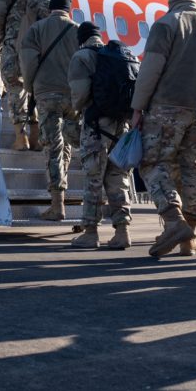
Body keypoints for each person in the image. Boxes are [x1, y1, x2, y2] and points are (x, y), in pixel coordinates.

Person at [131, 0, 196, 257]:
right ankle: (190, 237)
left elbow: (150, 69)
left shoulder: (166, 24)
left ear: (171, 1)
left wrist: (138, 108)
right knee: (192, 168)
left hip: (166, 108)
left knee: (153, 164)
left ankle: (174, 222)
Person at [67, 22, 133, 249]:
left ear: (81, 39)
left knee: (93, 179)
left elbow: (79, 97)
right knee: (118, 178)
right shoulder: (115, 55)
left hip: (96, 127)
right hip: (120, 127)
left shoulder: (82, 56)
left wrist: (77, 111)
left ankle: (91, 232)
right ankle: (122, 231)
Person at [20, 0, 80, 221]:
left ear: (49, 8)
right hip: (72, 96)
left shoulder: (37, 29)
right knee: (67, 146)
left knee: (53, 147)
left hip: (47, 94)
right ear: (69, 10)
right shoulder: (77, 30)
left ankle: (57, 205)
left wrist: (31, 86)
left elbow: (28, 62)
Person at [0, 0, 42, 150]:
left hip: (14, 44)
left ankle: (21, 139)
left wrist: (1, 34)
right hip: (38, 48)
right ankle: (36, 137)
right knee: (35, 90)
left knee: (14, 87)